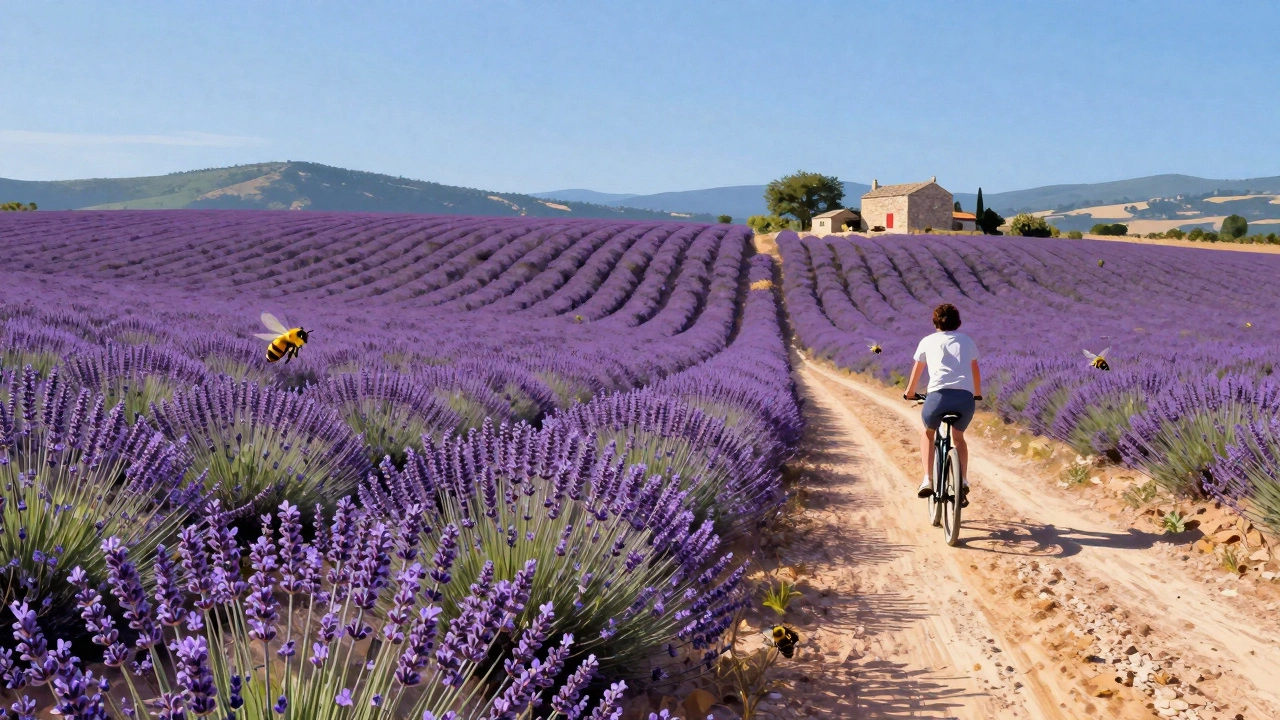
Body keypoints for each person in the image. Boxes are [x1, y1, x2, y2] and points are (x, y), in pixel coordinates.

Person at [902, 303, 982, 506]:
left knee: (928, 434)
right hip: (964, 400)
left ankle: (928, 479)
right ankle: (962, 480)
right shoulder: (967, 341)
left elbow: (918, 369)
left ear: (935, 322)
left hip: (937, 398)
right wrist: (977, 394)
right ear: (958, 322)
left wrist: (910, 392)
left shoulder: (927, 341)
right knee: (959, 437)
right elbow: (975, 369)